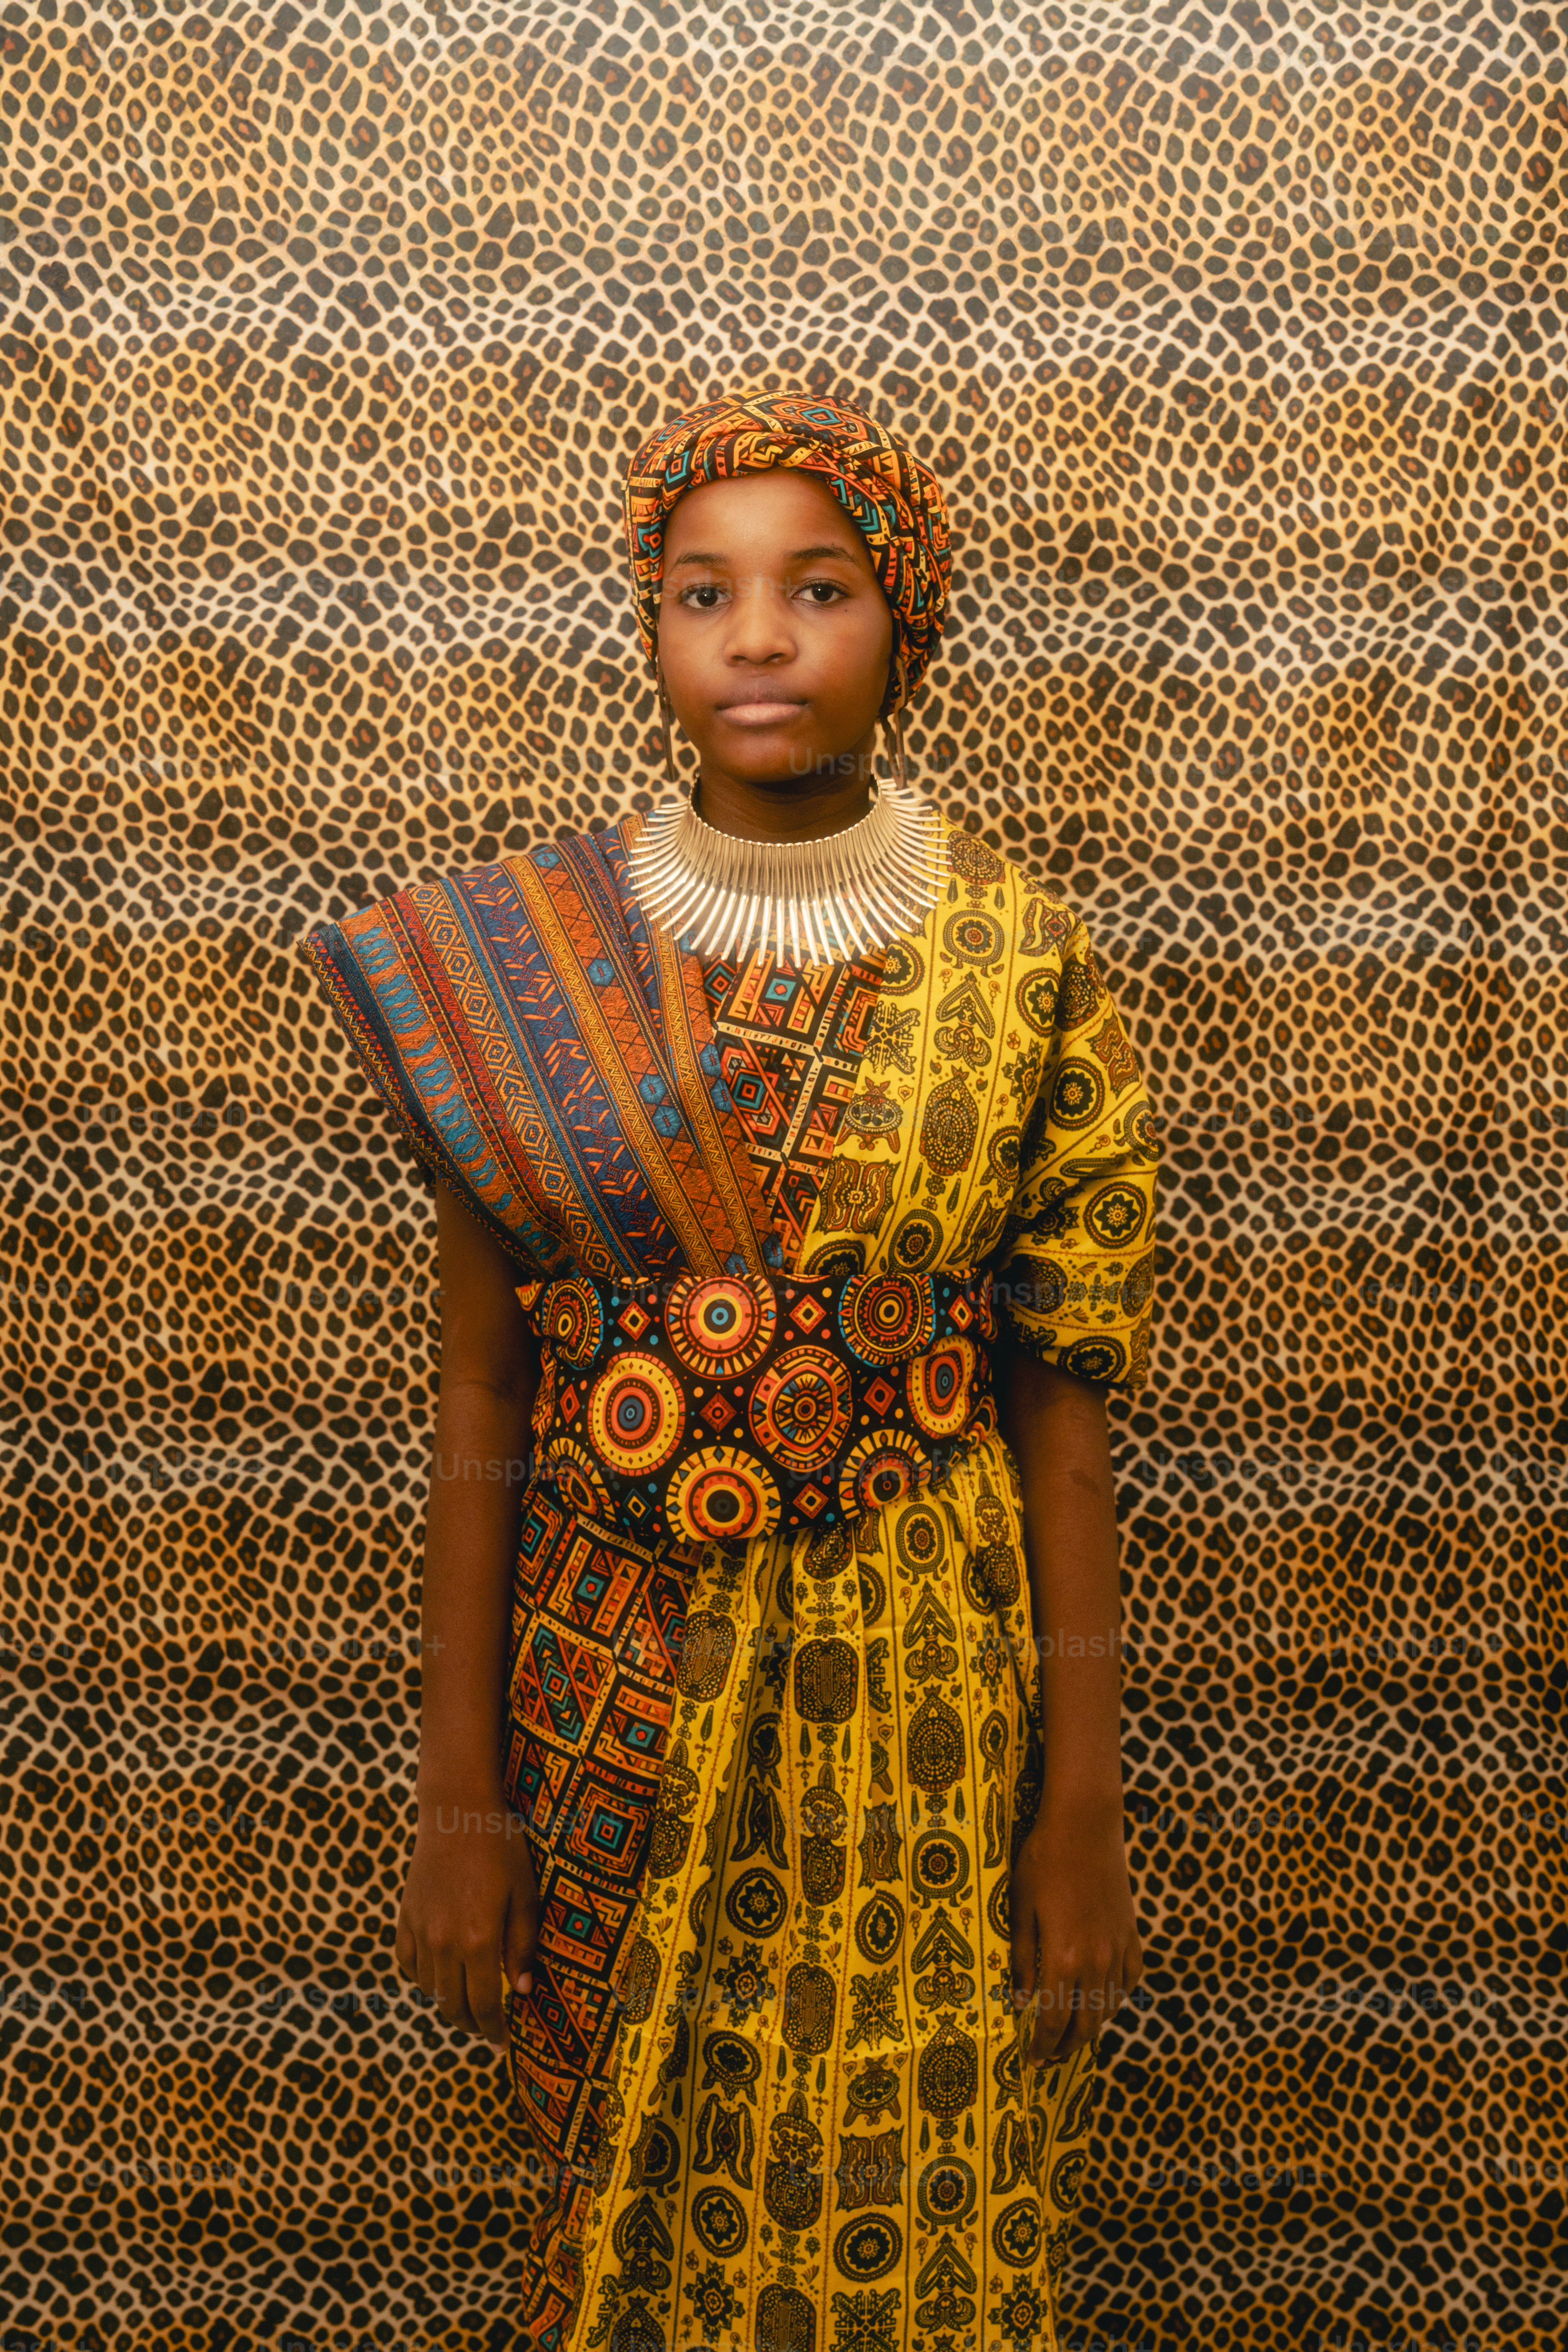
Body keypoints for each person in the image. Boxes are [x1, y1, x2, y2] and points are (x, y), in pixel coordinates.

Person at [304, 394, 1158, 2352]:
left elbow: (1060, 1393)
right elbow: (480, 1398)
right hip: (610, 1662)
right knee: (632, 2201)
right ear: (652, 625)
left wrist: (1083, 1805)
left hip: (923, 1693)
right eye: (703, 593)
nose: (757, 637)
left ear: (904, 623)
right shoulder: (524, 965)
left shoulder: (1019, 960)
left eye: (818, 588)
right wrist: (459, 1791)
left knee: (910, 2195)